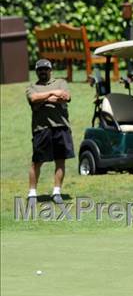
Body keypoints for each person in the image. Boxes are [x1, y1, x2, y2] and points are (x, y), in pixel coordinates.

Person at [26, 59, 74, 204]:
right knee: (37, 162)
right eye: (40, 70)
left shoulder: (61, 83)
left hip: (61, 126)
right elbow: (33, 98)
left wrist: (43, 100)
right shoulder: (32, 87)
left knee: (60, 161)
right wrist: (53, 93)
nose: (43, 72)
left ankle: (56, 192)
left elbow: (66, 97)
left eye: (45, 69)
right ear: (36, 72)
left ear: (50, 70)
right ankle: (32, 193)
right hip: (41, 129)